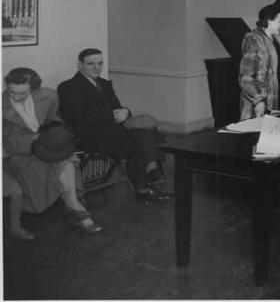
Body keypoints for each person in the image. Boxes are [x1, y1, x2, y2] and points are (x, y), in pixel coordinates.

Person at [57, 49, 171, 203]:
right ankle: (150, 175)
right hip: (89, 135)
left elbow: (117, 107)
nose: (97, 67)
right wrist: (111, 115)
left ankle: (147, 179)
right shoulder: (68, 87)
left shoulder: (104, 83)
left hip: (114, 131)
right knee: (142, 138)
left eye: (100, 63)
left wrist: (125, 111)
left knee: (142, 135)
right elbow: (76, 119)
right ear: (80, 65)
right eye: (91, 64)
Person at [3, 67, 102, 236]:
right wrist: (31, 142)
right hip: (18, 151)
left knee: (65, 159)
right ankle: (76, 210)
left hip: (45, 144)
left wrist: (51, 136)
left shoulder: (48, 97)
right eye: (12, 92)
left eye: (22, 94)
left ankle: (73, 203)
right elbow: (4, 141)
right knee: (47, 164)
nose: (17, 97)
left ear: (34, 90)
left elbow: (54, 121)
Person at [238, 3, 280, 119]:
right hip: (262, 102)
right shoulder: (253, 40)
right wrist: (258, 100)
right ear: (269, 21)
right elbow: (246, 78)